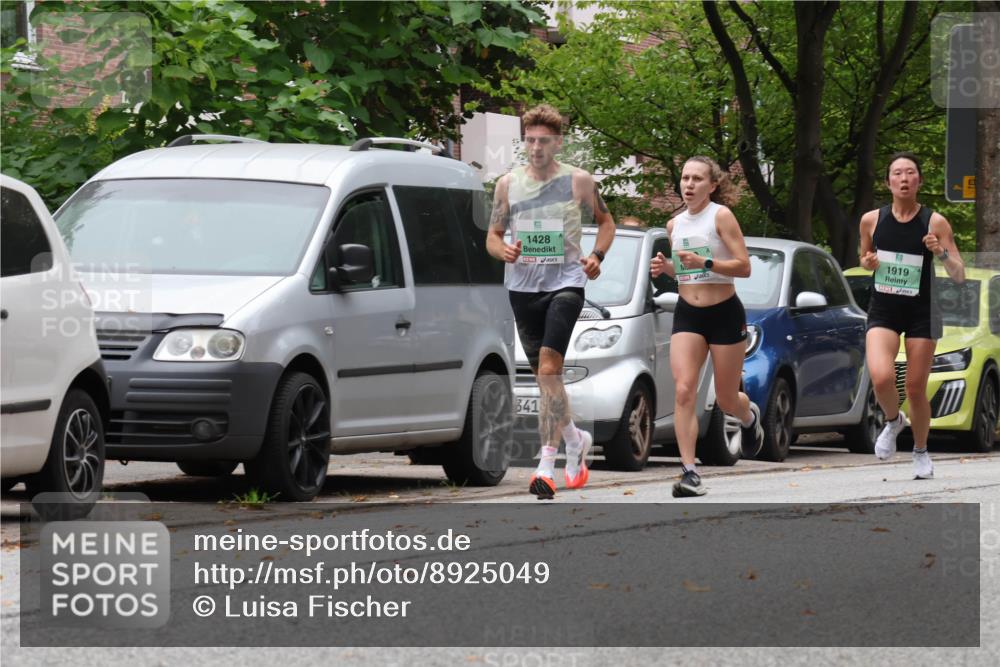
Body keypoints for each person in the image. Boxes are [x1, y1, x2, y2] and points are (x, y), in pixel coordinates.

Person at [487, 104, 616, 499]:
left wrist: (597, 257)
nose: (536, 147)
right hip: (523, 289)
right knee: (549, 381)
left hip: (566, 284)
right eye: (530, 140)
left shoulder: (579, 181)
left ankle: (545, 466)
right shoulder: (507, 185)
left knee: (548, 368)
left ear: (558, 142)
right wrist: (503, 252)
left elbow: (607, 222)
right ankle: (576, 439)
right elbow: (493, 236)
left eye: (544, 140)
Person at [650, 156, 764, 497]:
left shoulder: (721, 216)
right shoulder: (674, 225)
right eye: (685, 178)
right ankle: (689, 471)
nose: (688, 184)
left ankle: (748, 417)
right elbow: (688, 273)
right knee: (684, 390)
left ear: (712, 185)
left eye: (697, 179)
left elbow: (744, 267)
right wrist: (667, 268)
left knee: (727, 399)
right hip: (688, 313)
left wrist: (707, 261)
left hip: (724, 312)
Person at [859, 151, 964, 479]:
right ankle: (893, 421)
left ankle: (920, 451)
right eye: (897, 173)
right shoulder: (872, 219)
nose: (904, 179)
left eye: (910, 173)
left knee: (916, 388)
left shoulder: (935, 222)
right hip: (884, 308)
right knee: (881, 377)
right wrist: (867, 263)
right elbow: (863, 255)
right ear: (888, 181)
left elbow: (959, 273)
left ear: (919, 180)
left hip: (922, 312)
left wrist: (940, 251)